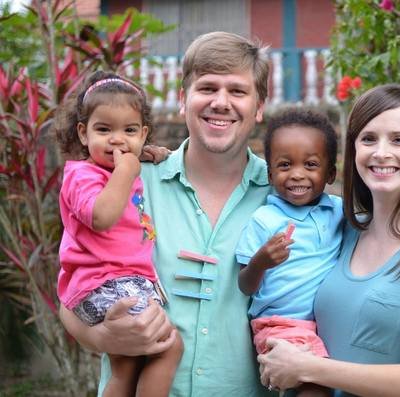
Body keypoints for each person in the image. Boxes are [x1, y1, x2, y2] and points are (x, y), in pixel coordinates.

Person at [59, 31, 276, 396]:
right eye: (207, 88)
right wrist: (101, 335)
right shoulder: (125, 182)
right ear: (182, 100)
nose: (221, 102)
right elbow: (71, 291)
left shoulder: (283, 196)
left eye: (237, 91)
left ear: (259, 106)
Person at [258, 84, 400, 397]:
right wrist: (167, 157)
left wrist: (306, 367)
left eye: (398, 139)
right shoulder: (344, 228)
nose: (381, 152)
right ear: (353, 152)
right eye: (368, 139)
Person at [53, 70, 183, 397]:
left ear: (143, 134)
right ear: (83, 134)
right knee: (168, 346)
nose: (117, 140)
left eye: (129, 131)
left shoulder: (117, 165)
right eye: (104, 129)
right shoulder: (82, 176)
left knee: (126, 366)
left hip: (117, 280)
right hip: (106, 281)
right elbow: (102, 216)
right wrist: (127, 169)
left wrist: (142, 154)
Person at [236, 109, 343, 396]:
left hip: (324, 326)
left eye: (310, 165)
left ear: (330, 173)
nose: (297, 174)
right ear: (270, 173)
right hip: (279, 325)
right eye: (285, 165)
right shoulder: (264, 220)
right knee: (315, 385)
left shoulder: (339, 212)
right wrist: (260, 262)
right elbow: (244, 284)